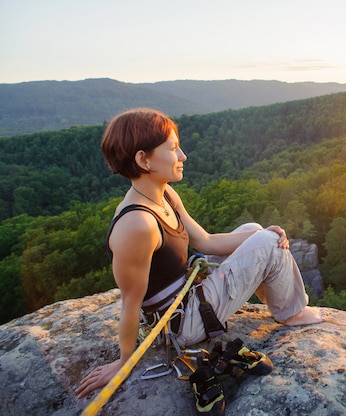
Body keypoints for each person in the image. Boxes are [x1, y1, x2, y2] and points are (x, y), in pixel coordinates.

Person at [76, 108, 323, 400]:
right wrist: (124, 361)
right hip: (182, 324)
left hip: (188, 295)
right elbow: (131, 304)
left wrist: (260, 234)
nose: (182, 156)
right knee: (266, 242)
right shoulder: (138, 225)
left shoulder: (165, 194)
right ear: (143, 160)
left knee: (254, 229)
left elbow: (205, 241)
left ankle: (277, 293)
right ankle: (292, 312)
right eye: (172, 148)